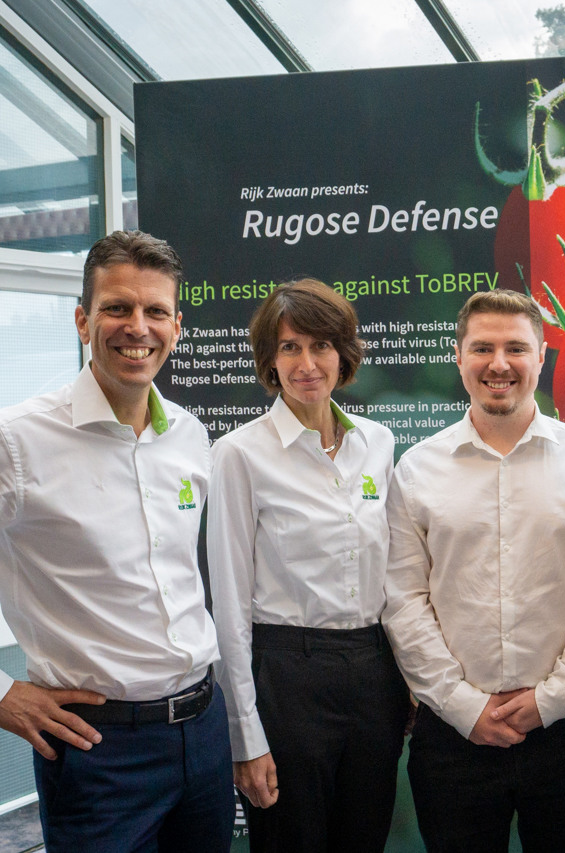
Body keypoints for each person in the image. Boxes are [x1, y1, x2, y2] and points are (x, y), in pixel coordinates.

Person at [0, 230, 234, 851]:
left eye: (155, 311)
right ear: (83, 320)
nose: (137, 327)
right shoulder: (13, 442)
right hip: (99, 750)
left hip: (204, 728)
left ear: (176, 326)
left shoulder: (189, 437)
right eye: (117, 307)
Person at [382, 290, 565, 853]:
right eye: (483, 348)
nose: (499, 364)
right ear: (458, 356)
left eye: (516, 348)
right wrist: (464, 706)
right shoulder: (416, 470)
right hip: (453, 736)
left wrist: (552, 699)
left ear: (542, 356)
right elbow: (404, 600)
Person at [207, 278, 410, 852]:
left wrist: (409, 681)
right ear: (270, 360)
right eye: (290, 347)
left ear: (343, 353)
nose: (307, 363)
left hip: (374, 672)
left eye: (321, 345)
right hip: (287, 677)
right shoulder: (240, 454)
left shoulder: (377, 442)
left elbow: (395, 574)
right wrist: (245, 735)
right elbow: (229, 604)